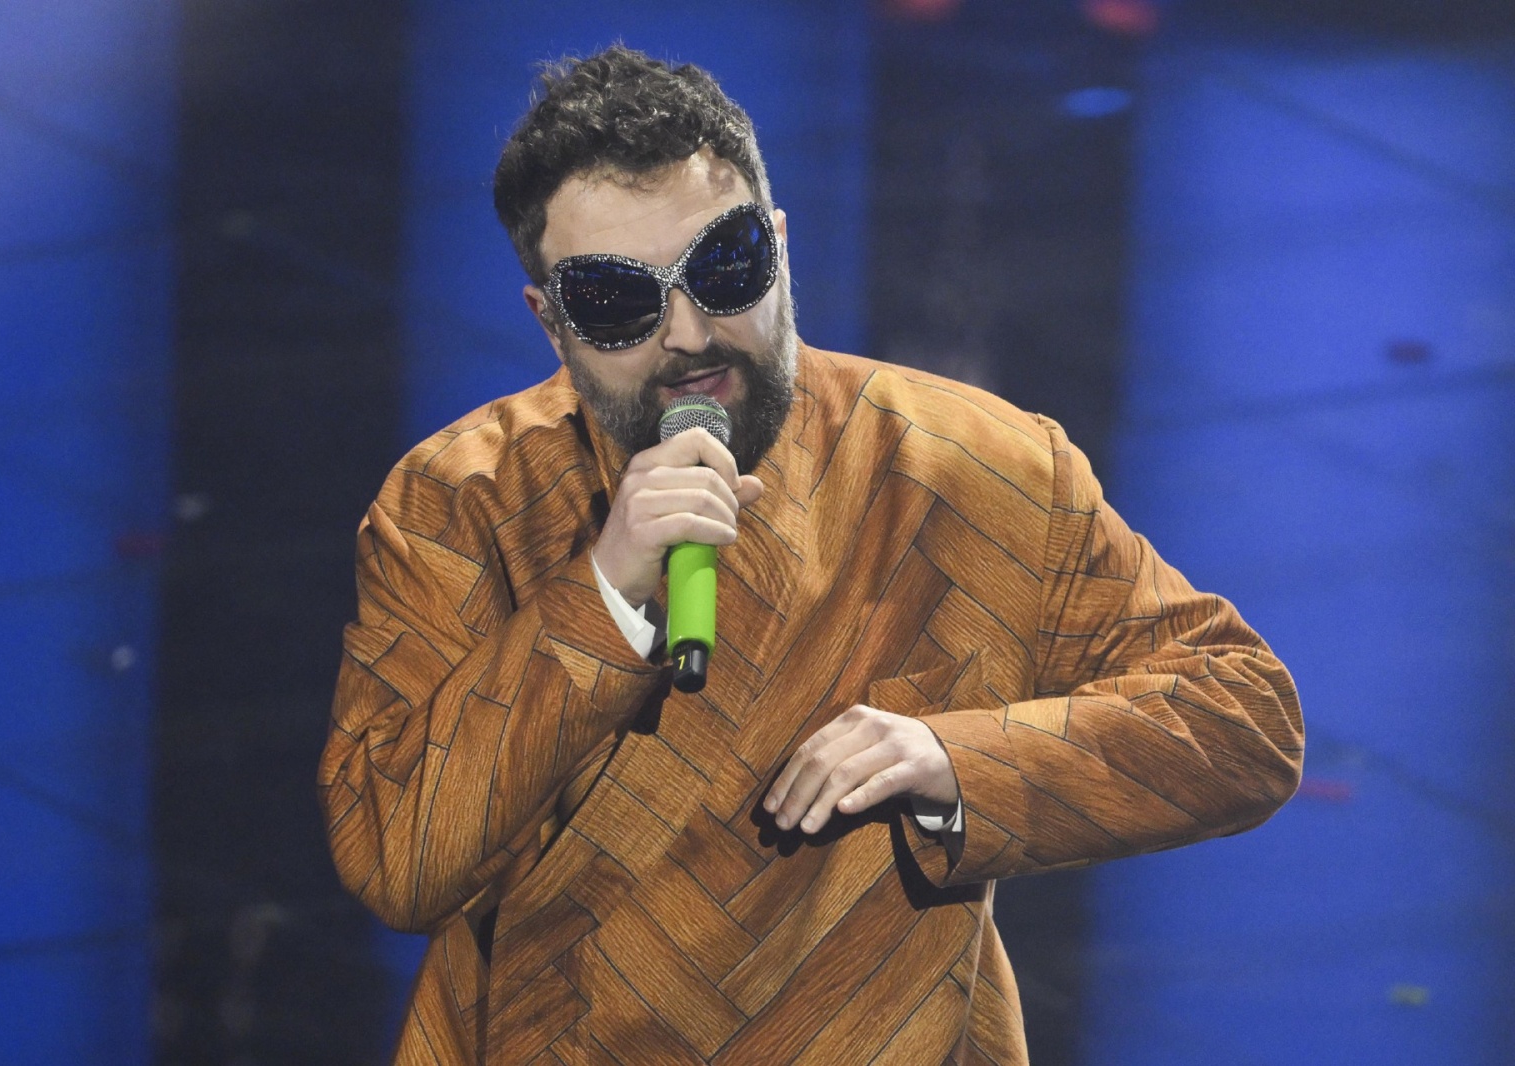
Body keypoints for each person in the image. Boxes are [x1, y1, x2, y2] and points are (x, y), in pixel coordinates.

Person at [320, 45, 1303, 1066]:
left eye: (726, 268)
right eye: (618, 302)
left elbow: (1241, 717)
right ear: (551, 321)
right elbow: (399, 859)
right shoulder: (457, 503)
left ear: (780, 247)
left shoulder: (974, 470)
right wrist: (603, 594)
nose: (691, 334)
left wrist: (952, 758)